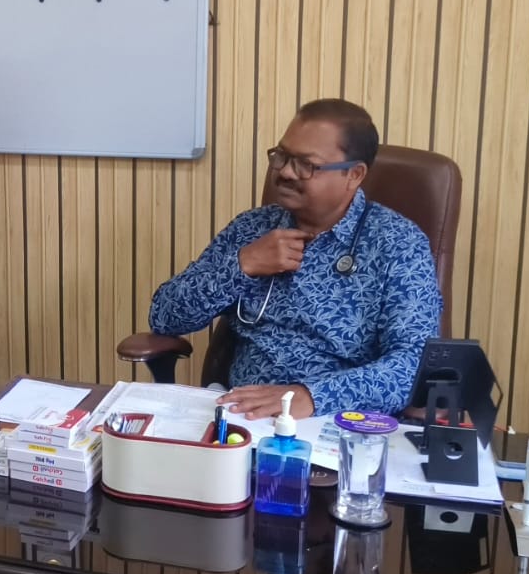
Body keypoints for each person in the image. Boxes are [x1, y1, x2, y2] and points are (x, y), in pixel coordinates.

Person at [148, 98, 442, 418]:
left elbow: (413, 365)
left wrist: (311, 397)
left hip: (341, 423)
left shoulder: (398, 244)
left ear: (354, 174)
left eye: (306, 164)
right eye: (282, 156)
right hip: (244, 417)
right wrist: (242, 266)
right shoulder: (252, 228)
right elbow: (165, 317)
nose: (286, 171)